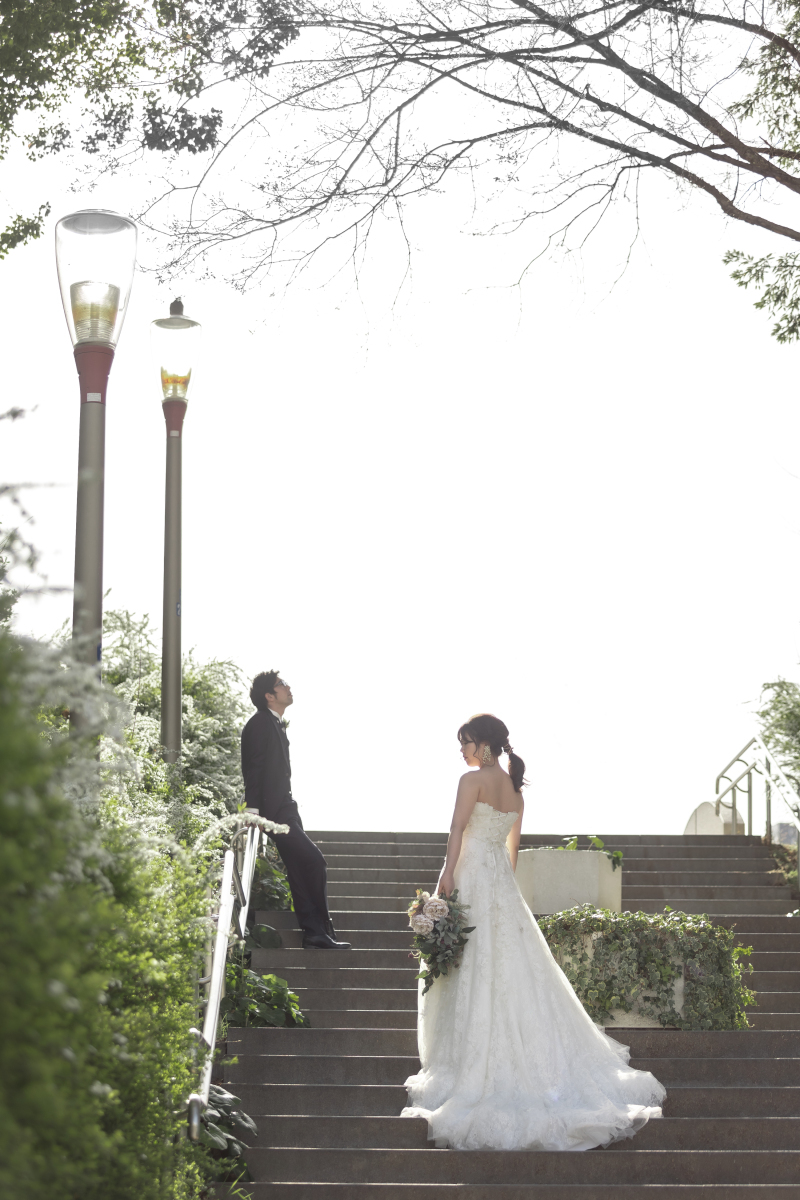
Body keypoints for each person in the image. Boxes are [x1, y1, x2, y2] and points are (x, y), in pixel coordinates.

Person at [401, 712, 665, 1151]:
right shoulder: (515, 793)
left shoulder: (471, 782)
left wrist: (447, 877)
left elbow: (456, 829)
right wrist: (503, 890)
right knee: (508, 967)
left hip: (470, 875)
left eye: (464, 743)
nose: (461, 751)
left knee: (471, 963)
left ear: (482, 744)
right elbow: (512, 850)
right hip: (500, 885)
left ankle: (471, 1065)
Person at [240, 670, 349, 949]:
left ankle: (315, 934)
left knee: (299, 867)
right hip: (273, 812)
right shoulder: (259, 724)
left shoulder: (275, 724)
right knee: (314, 860)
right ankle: (321, 927)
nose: (288, 687)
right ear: (269, 695)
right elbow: (254, 769)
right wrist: (252, 811)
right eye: (281, 684)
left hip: (286, 808)